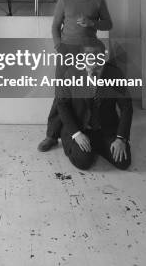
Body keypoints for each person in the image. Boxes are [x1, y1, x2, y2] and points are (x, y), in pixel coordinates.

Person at [38, 0, 112, 152]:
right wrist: (58, 46)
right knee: (62, 92)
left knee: (86, 92)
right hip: (67, 50)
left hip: (89, 51)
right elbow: (55, 26)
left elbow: (108, 24)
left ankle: (83, 130)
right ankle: (51, 136)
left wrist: (92, 23)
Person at [55, 42, 132, 170]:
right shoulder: (70, 73)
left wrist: (120, 138)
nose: (93, 57)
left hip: (106, 129)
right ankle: (88, 147)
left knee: (123, 162)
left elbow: (126, 107)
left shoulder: (115, 73)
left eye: (97, 54)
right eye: (88, 54)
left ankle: (98, 146)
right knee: (83, 162)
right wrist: (76, 134)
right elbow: (62, 105)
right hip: (80, 128)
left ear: (103, 55)